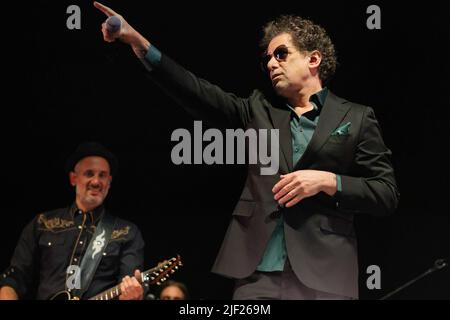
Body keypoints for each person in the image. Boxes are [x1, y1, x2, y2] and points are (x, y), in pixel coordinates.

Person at [94, 2, 399, 299]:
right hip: (259, 275)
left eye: (281, 54)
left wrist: (329, 182)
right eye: (267, 58)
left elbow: (385, 193)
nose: (270, 63)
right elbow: (197, 92)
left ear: (313, 59)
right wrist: (138, 42)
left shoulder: (356, 117)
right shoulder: (258, 110)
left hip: (325, 274)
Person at [0, 142, 145, 300]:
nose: (96, 182)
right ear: (73, 178)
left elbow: (129, 285)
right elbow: (15, 276)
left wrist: (132, 295)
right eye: (89, 173)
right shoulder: (43, 223)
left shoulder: (127, 232)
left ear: (109, 182)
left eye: (102, 175)